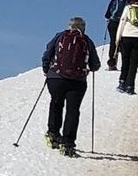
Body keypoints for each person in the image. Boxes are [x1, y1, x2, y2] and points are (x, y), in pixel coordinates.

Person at [42, 16, 101, 157]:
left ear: (69, 26)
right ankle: (68, 144)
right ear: (83, 27)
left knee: (56, 104)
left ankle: (53, 134)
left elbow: (47, 53)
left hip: (56, 77)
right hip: (77, 81)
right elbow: (95, 64)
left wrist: (46, 69)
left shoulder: (59, 36)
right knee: (73, 111)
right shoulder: (86, 40)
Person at [104, 0, 130, 70]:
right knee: (122, 43)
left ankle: (112, 63)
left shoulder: (114, 1)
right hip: (123, 24)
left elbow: (107, 14)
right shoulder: (128, 2)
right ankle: (124, 64)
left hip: (112, 23)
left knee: (113, 42)